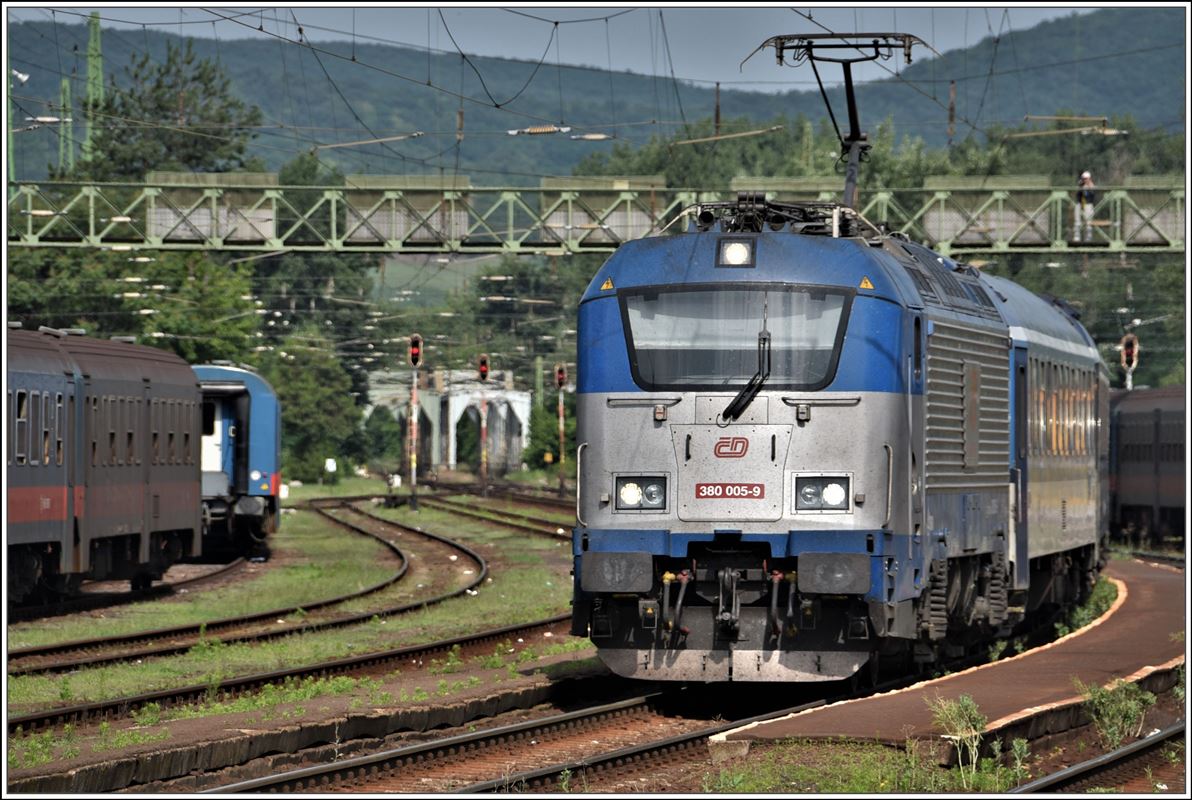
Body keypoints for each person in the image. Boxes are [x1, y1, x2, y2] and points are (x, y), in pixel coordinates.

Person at [1074, 170, 1096, 242]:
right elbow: (1078, 194)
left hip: (1088, 204)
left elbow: (1092, 194)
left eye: (1086, 179)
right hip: (1080, 204)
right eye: (1084, 179)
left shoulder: (1091, 185)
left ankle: (1088, 237)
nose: (1085, 180)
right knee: (1077, 220)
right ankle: (1077, 236)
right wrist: (1081, 186)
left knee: (1088, 221)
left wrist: (1089, 187)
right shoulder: (1080, 185)